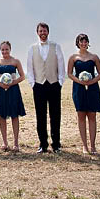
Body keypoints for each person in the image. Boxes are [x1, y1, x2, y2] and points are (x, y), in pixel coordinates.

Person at [26, 22, 66, 153]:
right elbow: (30, 67)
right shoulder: (32, 48)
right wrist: (32, 83)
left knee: (55, 115)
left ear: (48, 32)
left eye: (45, 31)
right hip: (39, 85)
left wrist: (60, 82)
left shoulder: (56, 46)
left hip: (54, 84)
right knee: (40, 116)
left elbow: (61, 64)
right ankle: (43, 143)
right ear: (37, 32)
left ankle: (56, 144)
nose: (43, 33)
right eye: (40, 31)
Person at [66, 33, 100, 154]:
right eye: (81, 41)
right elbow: (70, 74)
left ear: (88, 43)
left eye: (85, 41)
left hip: (92, 88)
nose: (83, 43)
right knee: (81, 116)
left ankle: (93, 145)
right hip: (79, 88)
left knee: (92, 116)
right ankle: (84, 145)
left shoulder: (94, 57)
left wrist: (91, 81)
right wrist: (80, 82)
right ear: (77, 43)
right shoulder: (73, 57)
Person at [0, 40, 26, 151]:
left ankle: (16, 143)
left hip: (13, 90)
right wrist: (1, 85)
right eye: (3, 49)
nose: (5, 51)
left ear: (10, 49)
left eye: (7, 49)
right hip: (0, 91)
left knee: (14, 115)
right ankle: (4, 143)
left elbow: (22, 76)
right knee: (2, 115)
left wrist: (11, 83)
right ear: (0, 50)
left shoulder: (15, 61)